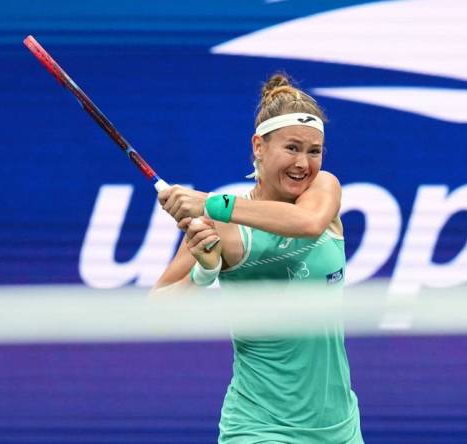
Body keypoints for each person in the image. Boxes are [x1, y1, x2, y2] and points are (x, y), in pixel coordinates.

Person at [154, 73, 363, 444]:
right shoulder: (220, 228)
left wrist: (212, 203)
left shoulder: (322, 192)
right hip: (258, 429)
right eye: (292, 148)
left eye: (314, 151)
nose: (304, 163)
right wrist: (205, 273)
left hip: (339, 429)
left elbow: (308, 223)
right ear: (259, 146)